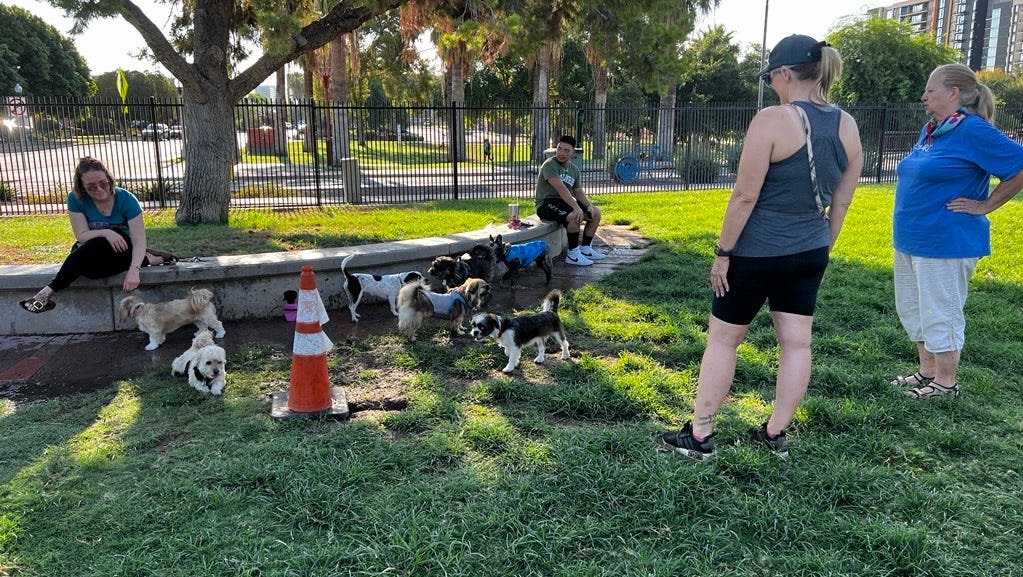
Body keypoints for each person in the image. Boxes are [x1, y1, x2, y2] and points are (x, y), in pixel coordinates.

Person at [659, 34, 863, 459]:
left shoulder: (772, 119)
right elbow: (841, 200)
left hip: (754, 252)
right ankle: (774, 435)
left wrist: (722, 252)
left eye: (771, 77)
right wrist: (822, 246)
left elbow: (744, 196)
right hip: (810, 250)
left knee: (723, 340)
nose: (771, 84)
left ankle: (699, 437)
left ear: (786, 73)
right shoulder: (848, 124)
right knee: (797, 344)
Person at [889, 64, 1023, 400]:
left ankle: (945, 385)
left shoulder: (973, 131)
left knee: (940, 311)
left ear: (953, 94)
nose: (924, 96)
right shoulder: (934, 129)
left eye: (930, 90)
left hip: (945, 241)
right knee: (913, 309)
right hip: (911, 238)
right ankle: (927, 371)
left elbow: (1019, 166)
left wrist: (986, 205)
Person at [18, 156, 171, 314]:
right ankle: (148, 258)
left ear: (109, 179)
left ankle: (45, 294)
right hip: (91, 249)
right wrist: (106, 232)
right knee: (87, 269)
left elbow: (139, 239)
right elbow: (81, 235)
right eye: (91, 187)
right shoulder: (75, 199)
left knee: (97, 244)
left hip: (123, 248)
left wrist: (134, 269)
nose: (99, 189)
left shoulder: (126, 199)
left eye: (103, 183)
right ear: (82, 187)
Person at [535, 135, 605, 265]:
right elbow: (561, 189)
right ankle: (573, 254)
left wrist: (588, 206)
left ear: (573, 153)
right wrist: (576, 208)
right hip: (546, 204)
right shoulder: (549, 165)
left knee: (595, 212)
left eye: (566, 150)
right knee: (574, 216)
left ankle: (586, 248)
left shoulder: (574, 169)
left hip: (563, 201)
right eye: (559, 149)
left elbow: (577, 191)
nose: (561, 153)